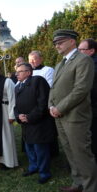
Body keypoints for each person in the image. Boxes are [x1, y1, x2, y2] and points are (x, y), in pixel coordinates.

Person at [49, 29, 97, 192]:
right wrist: (51, 106)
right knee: (70, 151)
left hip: (76, 116)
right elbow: (53, 88)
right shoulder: (60, 63)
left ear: (72, 41)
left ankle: (91, 187)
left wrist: (60, 108)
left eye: (60, 42)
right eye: (55, 43)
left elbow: (81, 89)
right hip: (60, 115)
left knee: (82, 153)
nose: (57, 46)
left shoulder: (83, 60)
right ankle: (78, 184)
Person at [14, 63, 55, 184]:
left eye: (20, 71)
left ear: (28, 72)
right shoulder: (17, 86)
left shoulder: (38, 81)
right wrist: (18, 116)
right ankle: (33, 167)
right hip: (26, 124)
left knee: (40, 148)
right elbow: (16, 106)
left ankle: (44, 173)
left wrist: (30, 117)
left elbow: (43, 103)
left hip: (39, 123)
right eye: (16, 72)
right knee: (29, 147)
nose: (17, 74)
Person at [28, 50, 59, 157]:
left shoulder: (48, 70)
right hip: (29, 106)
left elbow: (50, 86)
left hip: (43, 104)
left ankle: (50, 153)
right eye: (30, 60)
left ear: (41, 59)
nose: (32, 62)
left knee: (45, 131)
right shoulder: (27, 72)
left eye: (34, 59)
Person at [78, 38, 97, 163]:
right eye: (78, 49)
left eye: (82, 50)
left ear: (91, 51)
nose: (79, 52)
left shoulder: (92, 65)